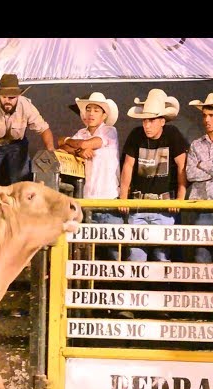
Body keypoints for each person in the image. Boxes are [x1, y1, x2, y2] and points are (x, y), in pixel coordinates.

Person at [119, 88, 188, 262]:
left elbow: (182, 166)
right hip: (139, 205)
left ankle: (163, 289)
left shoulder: (172, 134)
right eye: (144, 121)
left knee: (161, 255)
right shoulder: (136, 134)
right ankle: (137, 289)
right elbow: (128, 165)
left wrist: (180, 200)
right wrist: (123, 197)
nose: (147, 125)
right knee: (135, 256)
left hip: (165, 206)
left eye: (151, 120)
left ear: (162, 121)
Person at [57, 92, 121, 260]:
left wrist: (73, 144)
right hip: (87, 200)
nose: (91, 113)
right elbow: (61, 145)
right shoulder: (81, 132)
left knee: (113, 251)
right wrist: (79, 149)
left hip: (108, 199)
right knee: (90, 253)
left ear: (104, 115)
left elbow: (82, 143)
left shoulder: (109, 131)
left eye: (96, 110)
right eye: (88, 109)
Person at [0, 73, 54, 186]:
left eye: (11, 97)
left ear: (18, 96)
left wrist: (50, 150)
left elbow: (44, 129)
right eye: (4, 97)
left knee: (22, 182)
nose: (7, 100)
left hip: (18, 146)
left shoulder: (25, 106)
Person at [186, 93, 213, 264]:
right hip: (202, 208)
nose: (207, 120)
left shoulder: (196, 146)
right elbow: (190, 173)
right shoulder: (196, 144)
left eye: (211, 115)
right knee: (201, 258)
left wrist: (203, 165)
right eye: (204, 115)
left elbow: (196, 171)